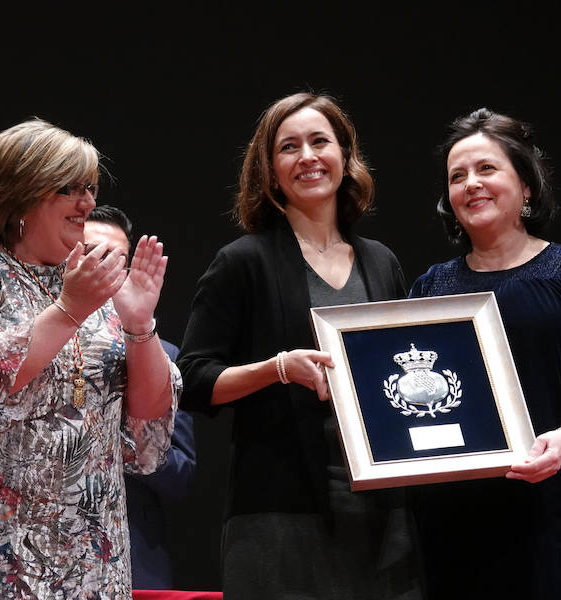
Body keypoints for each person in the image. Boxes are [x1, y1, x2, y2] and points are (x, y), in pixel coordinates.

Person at [0, 119, 181, 599]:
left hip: (92, 563)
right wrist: (69, 311)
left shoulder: (89, 282)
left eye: (90, 188)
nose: (88, 203)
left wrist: (141, 327)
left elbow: (149, 427)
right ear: (20, 192)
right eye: (69, 188)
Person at [177, 92, 423, 599]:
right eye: (289, 147)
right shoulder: (242, 261)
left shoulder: (382, 262)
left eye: (320, 141)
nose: (307, 156)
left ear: (345, 156)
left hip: (385, 518)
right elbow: (195, 381)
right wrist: (277, 368)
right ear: (269, 172)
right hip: (279, 522)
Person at [407, 108, 561, 599]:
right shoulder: (430, 287)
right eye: (457, 176)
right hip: (457, 519)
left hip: (559, 506)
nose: (471, 184)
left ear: (527, 184)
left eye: (487, 169)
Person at [85, 204, 197, 590]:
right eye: (90, 255)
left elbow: (180, 476)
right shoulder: (34, 340)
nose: (104, 270)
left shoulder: (160, 355)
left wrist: (120, 434)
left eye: (117, 261)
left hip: (132, 562)